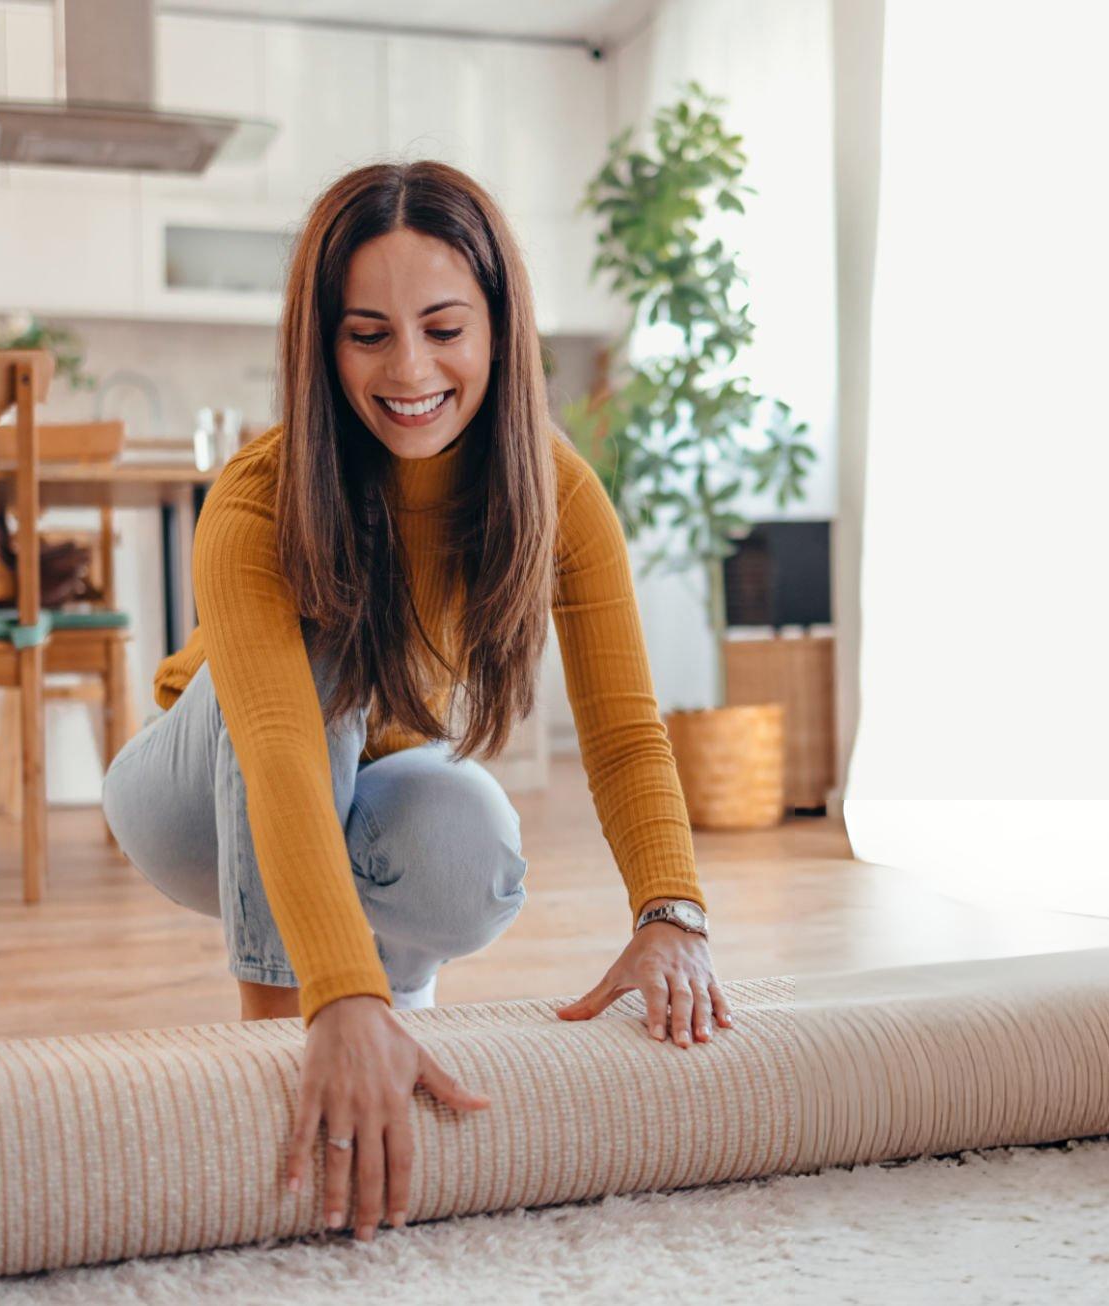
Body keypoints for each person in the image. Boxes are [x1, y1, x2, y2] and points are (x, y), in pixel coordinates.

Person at [102, 160, 733, 1242]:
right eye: (367, 333)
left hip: (359, 776)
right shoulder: (256, 502)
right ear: (322, 343)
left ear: (497, 327)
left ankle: (384, 1012)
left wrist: (671, 915)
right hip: (191, 791)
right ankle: (301, 1033)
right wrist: (331, 1001)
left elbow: (625, 729)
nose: (408, 369)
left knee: (468, 829)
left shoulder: (555, 488)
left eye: (443, 328)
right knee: (337, 629)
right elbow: (279, 752)